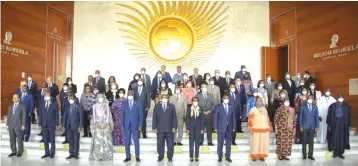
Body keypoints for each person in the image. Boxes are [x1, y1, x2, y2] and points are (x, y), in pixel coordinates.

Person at [89, 93, 114, 161]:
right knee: (98, 140)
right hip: (97, 124)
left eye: (101, 97)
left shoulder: (106, 105)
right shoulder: (95, 106)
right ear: (97, 98)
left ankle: (106, 155)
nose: (100, 98)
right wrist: (96, 123)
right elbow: (93, 115)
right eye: (99, 97)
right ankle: (98, 155)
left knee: (106, 140)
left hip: (105, 124)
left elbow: (108, 114)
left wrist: (106, 123)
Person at [152, 94, 177, 162]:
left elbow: (174, 117)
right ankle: (160, 156)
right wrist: (154, 127)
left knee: (170, 144)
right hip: (160, 129)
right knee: (160, 144)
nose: (164, 99)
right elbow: (154, 117)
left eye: (166, 97)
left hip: (170, 129)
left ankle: (170, 157)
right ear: (161, 98)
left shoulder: (172, 106)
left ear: (168, 98)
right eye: (163, 97)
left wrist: (174, 127)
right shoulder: (157, 106)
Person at [327, 94, 351, 159]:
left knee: (342, 138)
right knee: (335, 138)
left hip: (343, 124)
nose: (340, 98)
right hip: (335, 124)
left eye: (342, 97)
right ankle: (335, 152)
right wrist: (329, 125)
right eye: (339, 97)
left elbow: (349, 116)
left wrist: (349, 125)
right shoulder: (332, 106)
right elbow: (329, 116)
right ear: (337, 98)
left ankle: (341, 153)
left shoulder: (346, 106)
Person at [121, 90, 143, 162]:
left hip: (135, 125)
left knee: (136, 141)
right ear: (127, 95)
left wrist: (140, 125)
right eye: (129, 93)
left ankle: (137, 156)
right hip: (126, 125)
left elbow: (141, 115)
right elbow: (122, 116)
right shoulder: (124, 103)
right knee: (127, 141)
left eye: (131, 93)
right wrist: (122, 125)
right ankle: (128, 156)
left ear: (133, 95)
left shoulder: (138, 103)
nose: (130, 95)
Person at [214, 94, 236, 162]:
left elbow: (233, 118)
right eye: (225, 98)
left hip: (229, 128)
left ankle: (228, 156)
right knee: (220, 142)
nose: (227, 100)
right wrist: (215, 127)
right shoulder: (218, 107)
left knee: (228, 143)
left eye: (228, 98)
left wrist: (234, 127)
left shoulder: (231, 107)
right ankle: (220, 156)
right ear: (222, 99)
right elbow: (215, 117)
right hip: (221, 128)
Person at [248, 97, 270, 161]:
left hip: (264, 129)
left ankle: (262, 156)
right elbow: (250, 119)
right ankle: (254, 156)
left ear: (262, 102)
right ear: (255, 102)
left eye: (260, 101)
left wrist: (269, 126)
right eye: (258, 101)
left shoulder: (264, 109)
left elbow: (267, 118)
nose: (259, 102)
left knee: (263, 143)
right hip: (255, 129)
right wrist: (250, 128)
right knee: (255, 143)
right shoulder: (252, 109)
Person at [39, 92, 59, 159]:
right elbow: (40, 114)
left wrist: (57, 123)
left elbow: (56, 114)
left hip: (52, 124)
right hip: (44, 124)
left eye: (48, 96)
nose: (46, 97)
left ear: (50, 97)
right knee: (45, 139)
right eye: (45, 96)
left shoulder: (54, 104)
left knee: (52, 139)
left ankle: (52, 153)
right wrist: (40, 123)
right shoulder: (42, 104)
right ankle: (46, 152)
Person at [63, 95, 83, 159]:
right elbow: (65, 116)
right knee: (70, 141)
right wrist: (64, 125)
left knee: (76, 141)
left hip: (76, 127)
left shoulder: (79, 107)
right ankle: (71, 153)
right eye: (70, 99)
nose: (70, 100)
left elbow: (81, 118)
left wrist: (80, 126)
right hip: (68, 126)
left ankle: (76, 154)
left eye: (72, 99)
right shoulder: (67, 107)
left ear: (75, 100)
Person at [299, 95, 319, 160]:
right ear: (307, 99)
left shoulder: (315, 107)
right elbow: (300, 117)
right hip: (305, 126)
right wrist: (301, 126)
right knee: (304, 141)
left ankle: (310, 155)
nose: (310, 99)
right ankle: (304, 155)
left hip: (312, 126)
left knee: (311, 141)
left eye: (311, 99)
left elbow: (316, 117)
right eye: (309, 98)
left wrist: (317, 126)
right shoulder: (303, 107)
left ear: (312, 99)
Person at [186, 97, 204, 162]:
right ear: (192, 101)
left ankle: (196, 156)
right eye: (194, 101)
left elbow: (202, 119)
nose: (195, 102)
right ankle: (191, 156)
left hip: (198, 128)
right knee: (191, 143)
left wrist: (202, 128)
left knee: (197, 143)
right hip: (190, 128)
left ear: (198, 101)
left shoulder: (201, 108)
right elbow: (187, 119)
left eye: (196, 101)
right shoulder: (189, 109)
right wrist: (187, 128)